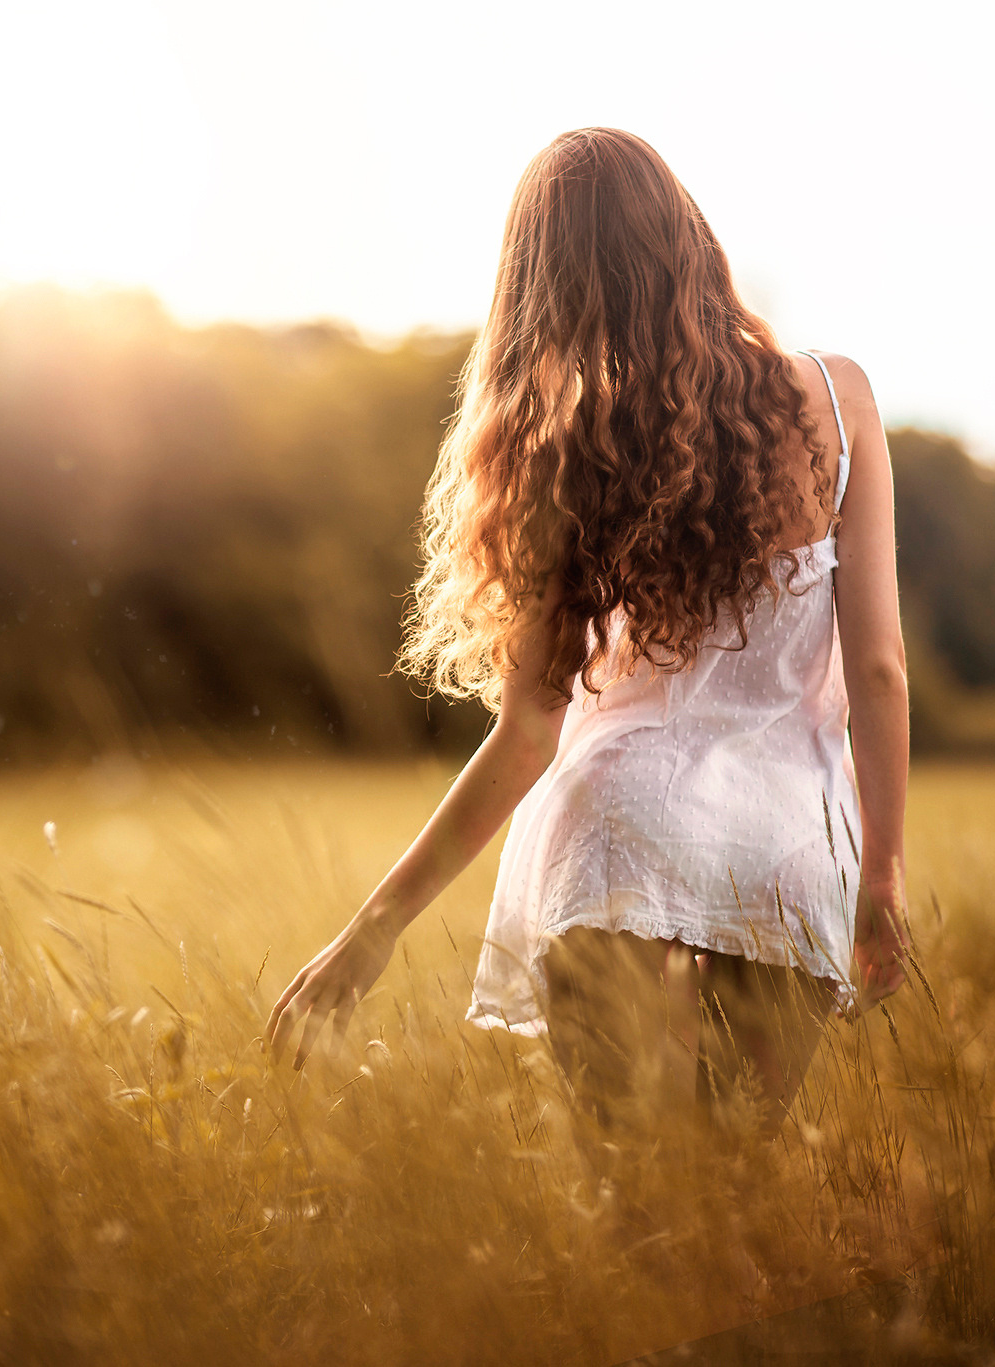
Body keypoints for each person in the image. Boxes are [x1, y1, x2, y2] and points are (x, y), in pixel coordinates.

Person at [266, 128, 911, 1132]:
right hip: (784, 851)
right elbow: (875, 668)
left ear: (541, 288)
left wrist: (370, 932)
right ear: (685, 237)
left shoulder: (571, 448)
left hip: (615, 832)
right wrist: (881, 868)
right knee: (728, 1190)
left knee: (635, 1211)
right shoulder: (839, 399)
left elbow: (528, 728)